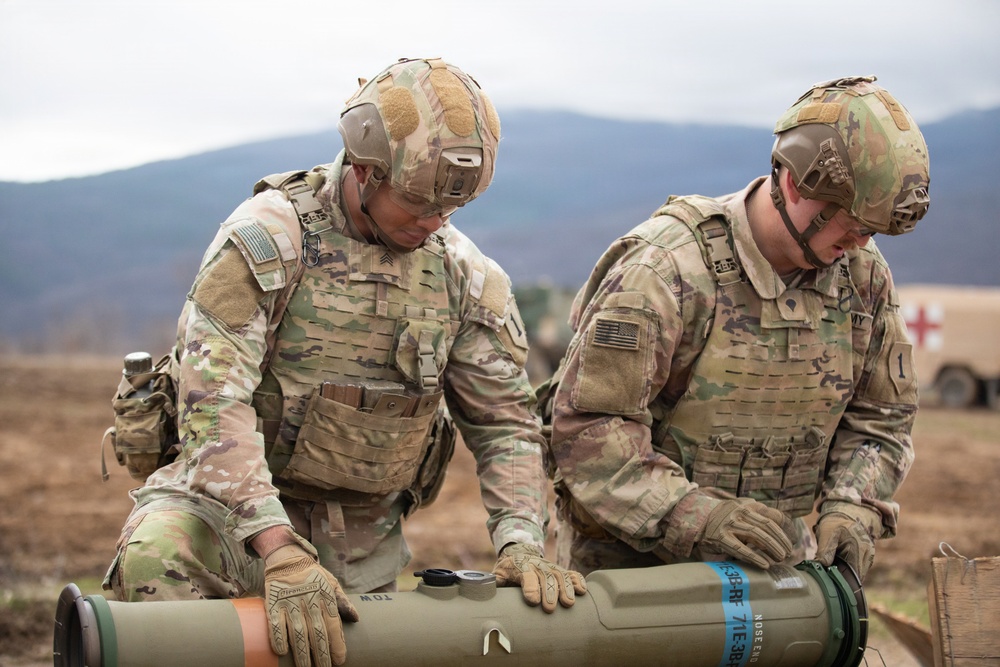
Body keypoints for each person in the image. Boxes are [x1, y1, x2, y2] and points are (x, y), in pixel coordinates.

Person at [103, 57, 586, 667]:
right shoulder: (272, 239)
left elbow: (506, 425)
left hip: (359, 534)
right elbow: (212, 402)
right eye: (417, 203)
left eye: (450, 209)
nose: (433, 222)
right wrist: (277, 548)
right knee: (156, 560)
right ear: (365, 171)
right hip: (223, 510)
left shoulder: (462, 274)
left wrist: (521, 542)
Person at [540, 76, 930, 583]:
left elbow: (883, 418)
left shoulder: (862, 277)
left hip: (774, 572)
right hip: (633, 578)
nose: (859, 243)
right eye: (852, 224)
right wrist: (696, 516)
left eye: (870, 231)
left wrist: (852, 505)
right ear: (797, 185)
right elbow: (588, 429)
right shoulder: (666, 270)